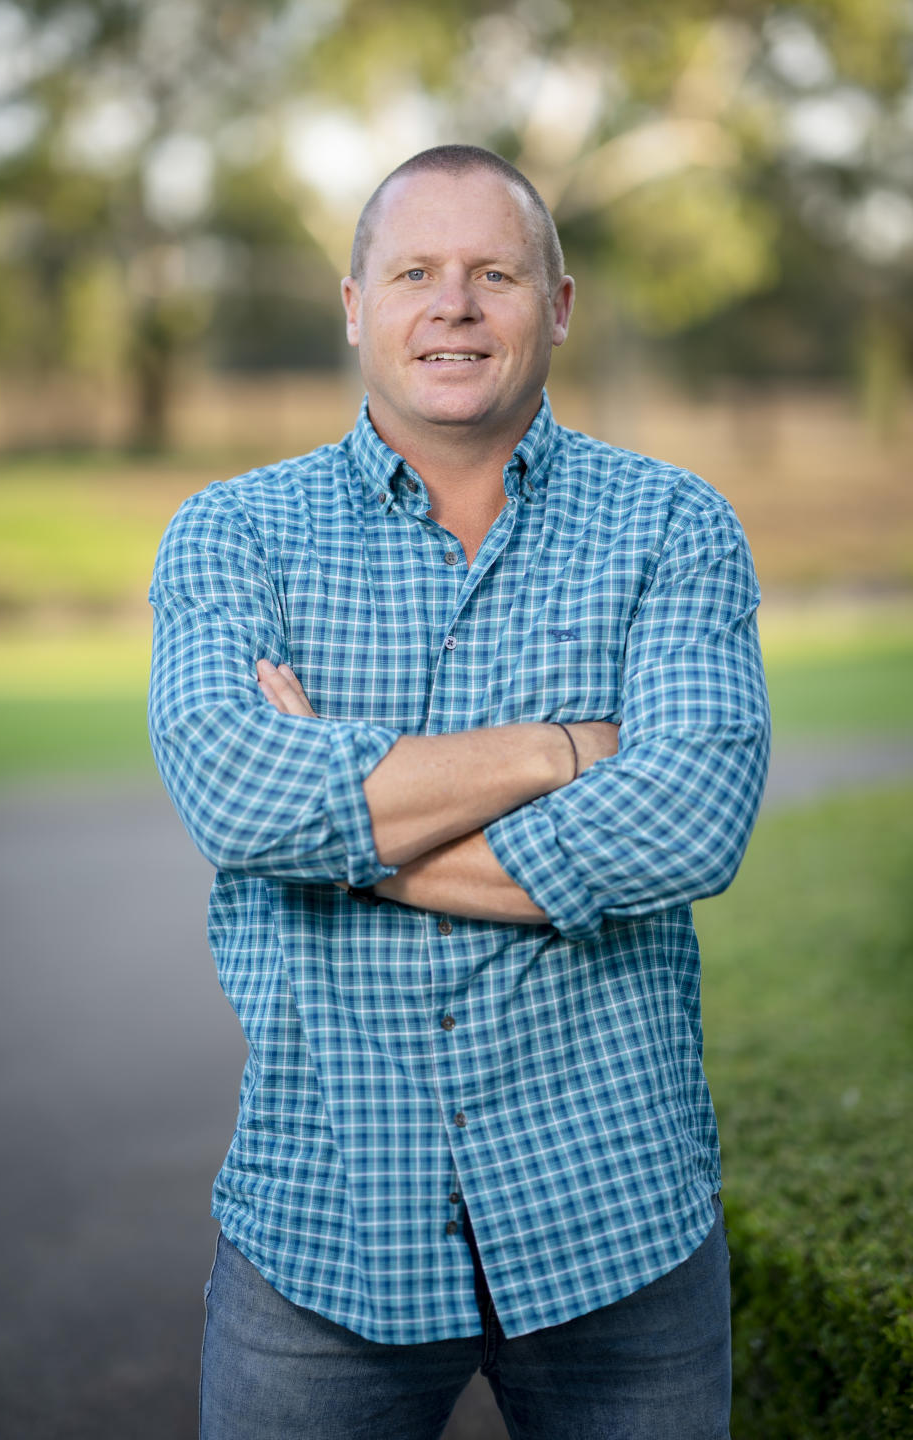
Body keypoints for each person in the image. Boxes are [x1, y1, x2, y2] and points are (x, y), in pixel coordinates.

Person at [148, 144, 770, 1440]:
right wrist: (565, 748)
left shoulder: (674, 525)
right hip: (324, 1226)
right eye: (416, 271)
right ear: (356, 305)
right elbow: (237, 798)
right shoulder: (232, 531)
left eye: (495, 272)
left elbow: (691, 817)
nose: (455, 305)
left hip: (620, 1228)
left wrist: (342, 825)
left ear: (557, 305)